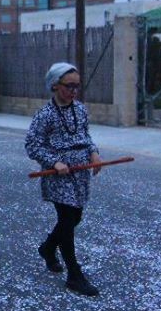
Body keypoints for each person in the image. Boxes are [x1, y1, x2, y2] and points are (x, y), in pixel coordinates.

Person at [25, 62, 104, 296]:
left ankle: (48, 248)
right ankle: (74, 274)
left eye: (77, 86)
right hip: (59, 176)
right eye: (69, 86)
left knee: (75, 217)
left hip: (80, 173)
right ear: (55, 85)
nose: (73, 91)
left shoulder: (80, 110)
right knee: (67, 220)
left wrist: (94, 153)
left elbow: (85, 137)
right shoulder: (45, 115)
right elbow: (32, 145)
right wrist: (53, 162)